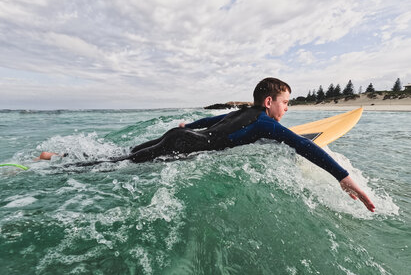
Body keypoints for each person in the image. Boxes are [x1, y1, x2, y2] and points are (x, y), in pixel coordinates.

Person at [37, 77, 375, 212]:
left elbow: (210, 122)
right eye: (286, 102)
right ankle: (54, 167)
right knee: (117, 167)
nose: (288, 108)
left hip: (179, 136)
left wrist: (187, 124)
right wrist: (342, 176)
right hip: (183, 147)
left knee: (120, 156)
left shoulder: (244, 112)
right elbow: (303, 146)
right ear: (270, 101)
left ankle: (59, 156)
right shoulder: (265, 124)